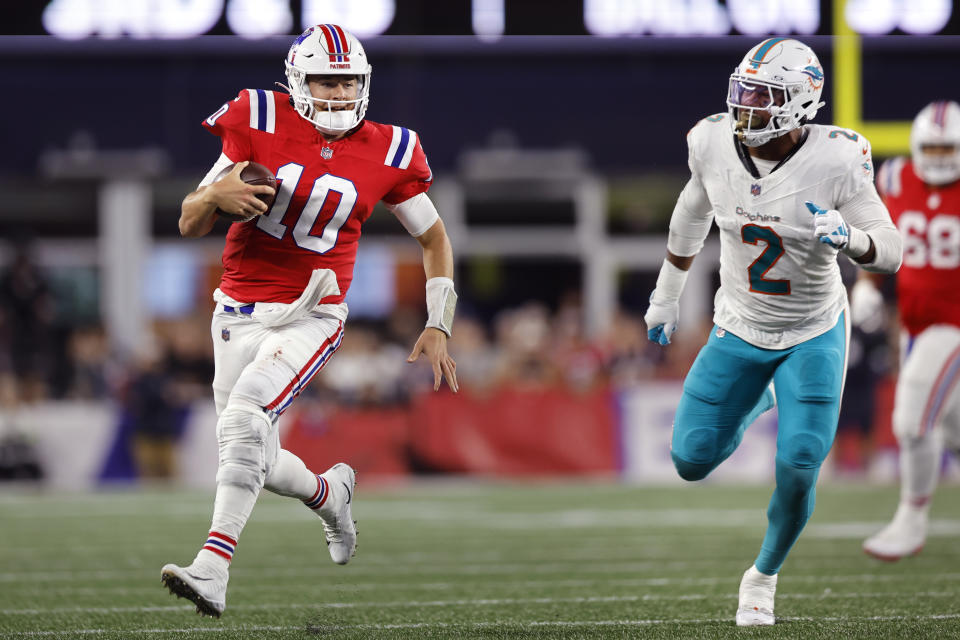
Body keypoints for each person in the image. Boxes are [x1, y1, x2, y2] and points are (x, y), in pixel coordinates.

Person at [161, 24, 459, 618]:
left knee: (245, 419)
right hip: (236, 313)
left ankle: (213, 569)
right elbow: (188, 222)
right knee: (254, 453)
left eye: (348, 80)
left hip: (312, 313)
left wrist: (438, 320)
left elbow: (433, 236)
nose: (338, 92)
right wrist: (214, 197)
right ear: (296, 79)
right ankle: (331, 493)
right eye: (326, 78)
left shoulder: (392, 148)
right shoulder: (258, 118)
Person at [643, 38, 902, 626]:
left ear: (801, 104)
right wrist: (666, 295)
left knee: (800, 462)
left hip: (814, 329)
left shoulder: (838, 158)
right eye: (743, 92)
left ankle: (762, 577)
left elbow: (891, 250)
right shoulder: (710, 140)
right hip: (740, 322)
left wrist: (852, 240)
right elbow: (692, 212)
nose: (746, 108)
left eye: (763, 97)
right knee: (689, 460)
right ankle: (760, 395)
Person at [860, 100, 960, 561]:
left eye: (948, 148)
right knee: (953, 429)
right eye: (931, 148)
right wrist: (867, 284)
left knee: (913, 421)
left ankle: (911, 519)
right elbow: (876, 235)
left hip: (954, 323)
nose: (939, 157)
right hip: (918, 323)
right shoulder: (894, 178)